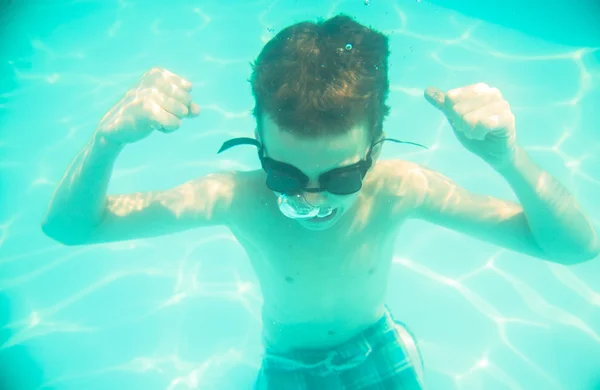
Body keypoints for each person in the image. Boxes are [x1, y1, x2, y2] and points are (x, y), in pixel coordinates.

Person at [41, 14, 598, 390]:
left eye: (341, 176)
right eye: (281, 173)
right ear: (257, 142)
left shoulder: (401, 188)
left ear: (375, 148)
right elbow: (71, 228)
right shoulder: (235, 199)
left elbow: (573, 247)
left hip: (377, 348)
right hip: (287, 366)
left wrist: (508, 160)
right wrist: (105, 140)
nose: (310, 198)